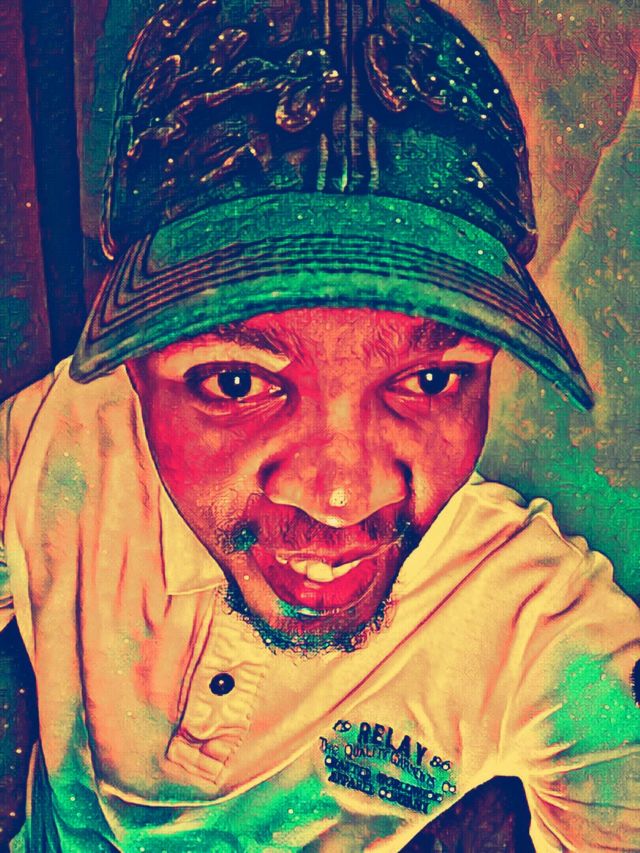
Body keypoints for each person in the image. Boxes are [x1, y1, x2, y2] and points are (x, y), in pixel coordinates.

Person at [1, 0, 638, 850]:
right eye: (236, 381)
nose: (342, 496)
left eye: (429, 379)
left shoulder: (537, 625)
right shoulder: (61, 437)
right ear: (136, 366)